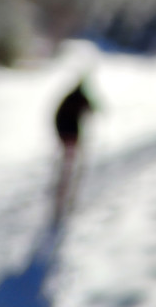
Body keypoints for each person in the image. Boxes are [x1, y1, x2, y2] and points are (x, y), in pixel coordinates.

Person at [52, 80, 94, 223]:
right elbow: (92, 109)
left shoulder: (68, 98)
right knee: (69, 168)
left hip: (65, 134)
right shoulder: (80, 98)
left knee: (68, 165)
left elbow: (56, 116)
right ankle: (64, 199)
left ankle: (64, 196)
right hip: (71, 135)